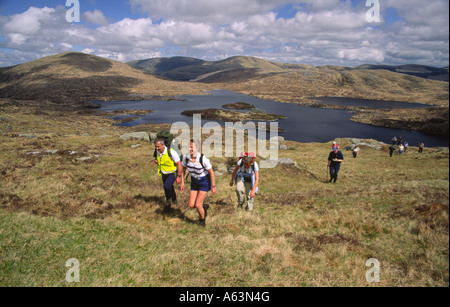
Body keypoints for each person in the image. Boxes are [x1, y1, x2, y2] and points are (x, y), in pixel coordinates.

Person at [180, 139, 216, 227]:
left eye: (192, 147)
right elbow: (182, 169)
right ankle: (204, 207)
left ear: (197, 148)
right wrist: (182, 182)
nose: (190, 149)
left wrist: (213, 186)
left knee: (197, 205)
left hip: (204, 181)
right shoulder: (186, 158)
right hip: (194, 181)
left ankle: (202, 221)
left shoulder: (202, 158)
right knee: (191, 205)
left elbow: (211, 172)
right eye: (189, 146)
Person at [154, 137, 182, 212]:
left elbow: (179, 164)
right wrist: (157, 162)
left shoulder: (171, 152)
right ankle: (174, 201)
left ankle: (168, 202)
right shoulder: (157, 151)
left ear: (163, 145)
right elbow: (160, 159)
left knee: (166, 186)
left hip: (172, 173)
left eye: (158, 146)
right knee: (169, 187)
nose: (157, 148)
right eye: (156, 146)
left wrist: (179, 176)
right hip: (164, 173)